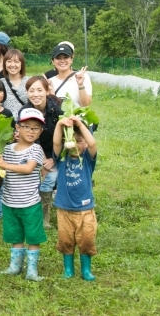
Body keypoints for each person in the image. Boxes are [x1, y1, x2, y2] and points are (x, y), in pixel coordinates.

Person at [0, 108, 47, 282]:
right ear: (18, 127)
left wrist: (5, 165)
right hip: (9, 201)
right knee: (15, 235)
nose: (31, 131)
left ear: (40, 131)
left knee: (33, 236)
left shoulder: (36, 150)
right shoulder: (8, 149)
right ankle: (15, 266)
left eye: (36, 128)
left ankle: (31, 271)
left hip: (30, 202)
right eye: (27, 127)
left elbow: (28, 168)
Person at [52, 115, 98, 281]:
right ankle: (68, 270)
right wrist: (59, 124)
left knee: (86, 239)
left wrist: (79, 123)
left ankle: (86, 270)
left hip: (85, 209)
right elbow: (57, 143)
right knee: (65, 240)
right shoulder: (62, 158)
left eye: (79, 141)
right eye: (72, 140)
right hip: (64, 208)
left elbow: (92, 143)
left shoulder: (87, 160)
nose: (76, 145)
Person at [19, 76, 63, 229]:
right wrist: (43, 161)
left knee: (50, 177)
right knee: (31, 178)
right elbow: (30, 139)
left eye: (39, 90)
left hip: (56, 150)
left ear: (46, 91)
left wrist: (53, 159)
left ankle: (45, 216)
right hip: (31, 150)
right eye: (31, 91)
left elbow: (63, 137)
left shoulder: (56, 108)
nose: (35, 94)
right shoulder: (25, 111)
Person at [1, 49, 29, 118]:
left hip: (27, 124)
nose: (12, 65)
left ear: (21, 64)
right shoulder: (0, 83)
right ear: (5, 64)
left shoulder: (30, 82)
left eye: (16, 62)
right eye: (9, 61)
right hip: (8, 125)